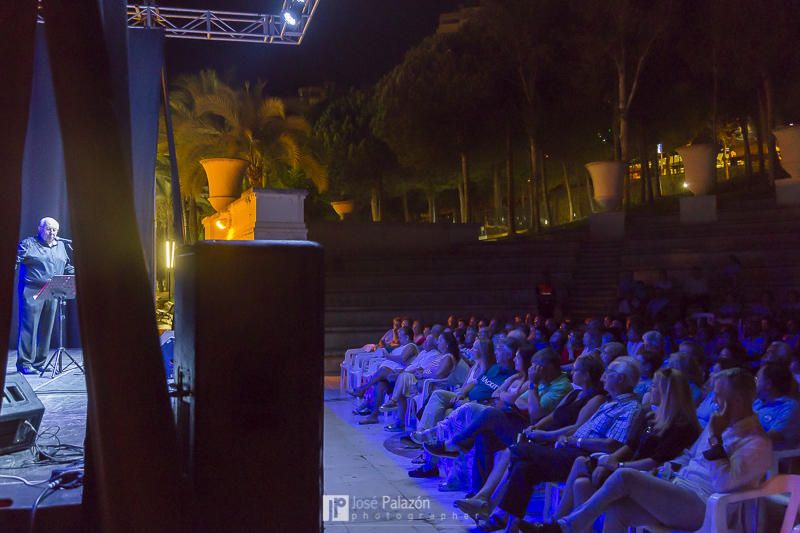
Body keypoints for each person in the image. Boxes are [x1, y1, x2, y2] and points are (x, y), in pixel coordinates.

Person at [539, 368, 772, 533]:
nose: (714, 402)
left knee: (624, 476)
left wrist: (714, 440)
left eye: (720, 396)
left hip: (708, 506)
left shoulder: (757, 442)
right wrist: (665, 470)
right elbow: (690, 457)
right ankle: (567, 525)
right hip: (679, 488)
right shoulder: (717, 422)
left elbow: (724, 483)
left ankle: (566, 525)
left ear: (739, 400)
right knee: (618, 509)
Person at [453, 355, 606, 524]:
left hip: (557, 443)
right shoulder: (574, 393)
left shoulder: (596, 399)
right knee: (516, 461)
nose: (571, 371)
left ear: (586, 375)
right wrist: (537, 427)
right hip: (543, 436)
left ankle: (484, 499)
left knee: (513, 450)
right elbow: (552, 415)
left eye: (576, 369)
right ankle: (493, 508)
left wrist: (544, 434)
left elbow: (577, 427)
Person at [495, 356, 643, 532]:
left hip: (583, 458)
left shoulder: (629, 407)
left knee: (517, 449)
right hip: (569, 449)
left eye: (608, 374)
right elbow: (578, 428)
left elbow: (612, 445)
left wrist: (575, 440)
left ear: (620, 379)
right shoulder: (611, 402)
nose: (603, 377)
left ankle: (492, 507)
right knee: (523, 467)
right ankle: (510, 526)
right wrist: (566, 438)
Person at [553, 368, 701, 522]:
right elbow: (630, 446)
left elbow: (656, 461)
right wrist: (608, 462)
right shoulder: (650, 416)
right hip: (627, 467)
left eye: (655, 386)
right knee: (581, 483)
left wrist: (619, 465)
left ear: (667, 392)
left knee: (581, 471)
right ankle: (560, 523)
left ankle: (556, 523)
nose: (650, 388)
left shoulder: (682, 427)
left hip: (646, 476)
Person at [16, 217, 75, 375]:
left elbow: (66, 265)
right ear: (40, 229)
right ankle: (24, 363)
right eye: (48, 229)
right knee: (29, 327)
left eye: (55, 230)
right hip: (32, 290)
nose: (52, 232)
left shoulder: (61, 246)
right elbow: (15, 260)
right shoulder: (29, 244)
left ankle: (39, 362)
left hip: (53, 290)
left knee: (46, 328)